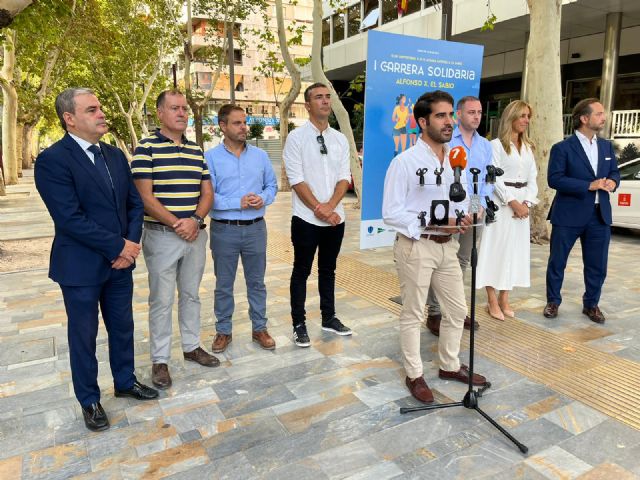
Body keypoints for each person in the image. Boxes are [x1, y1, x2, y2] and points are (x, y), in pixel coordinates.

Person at [34, 88, 158, 432]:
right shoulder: (52, 161)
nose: (102, 113)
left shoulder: (116, 155)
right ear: (69, 119)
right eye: (92, 110)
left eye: (101, 107)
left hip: (121, 264)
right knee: (84, 336)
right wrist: (119, 246)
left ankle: (125, 381)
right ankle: (89, 399)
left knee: (123, 326)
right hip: (81, 267)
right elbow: (69, 218)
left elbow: (134, 203)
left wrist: (132, 244)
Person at [382, 90, 488, 404]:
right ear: (422, 121)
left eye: (450, 116)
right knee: (414, 314)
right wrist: (436, 223)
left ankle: (449, 365)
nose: (448, 122)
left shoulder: (457, 158)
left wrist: (467, 214)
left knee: (456, 311)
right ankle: (414, 375)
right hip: (417, 247)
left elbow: (459, 198)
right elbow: (391, 212)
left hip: (448, 247)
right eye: (441, 116)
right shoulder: (405, 162)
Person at [131, 90, 218, 391]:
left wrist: (194, 221)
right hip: (162, 236)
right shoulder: (146, 148)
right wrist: (176, 224)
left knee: (192, 294)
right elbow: (144, 197)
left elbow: (207, 193)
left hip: (194, 235)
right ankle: (160, 360)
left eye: (184, 108)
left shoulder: (197, 151)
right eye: (174, 108)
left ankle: (192, 347)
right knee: (162, 300)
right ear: (159, 113)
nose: (182, 113)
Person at [284, 82, 353, 347]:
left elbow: (344, 178)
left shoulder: (339, 139)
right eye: (319, 97)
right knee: (301, 270)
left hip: (335, 218)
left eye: (328, 97)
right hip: (305, 218)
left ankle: (329, 317)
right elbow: (297, 180)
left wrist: (331, 208)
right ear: (308, 105)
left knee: (329, 269)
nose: (325, 101)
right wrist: (319, 209)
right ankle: (298, 324)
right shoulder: (296, 138)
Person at [204, 105, 278, 353]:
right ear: (222, 126)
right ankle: (223, 331)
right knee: (224, 284)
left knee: (257, 282)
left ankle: (260, 328)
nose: (244, 127)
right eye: (237, 123)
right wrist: (238, 202)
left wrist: (262, 198)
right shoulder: (211, 158)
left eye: (244, 122)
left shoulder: (260, 156)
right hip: (224, 230)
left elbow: (272, 186)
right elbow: (208, 197)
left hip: (256, 229)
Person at [543, 98, 620, 323]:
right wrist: (588, 185)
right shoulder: (562, 148)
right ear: (584, 118)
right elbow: (554, 179)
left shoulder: (606, 146)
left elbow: (614, 172)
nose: (603, 117)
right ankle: (553, 301)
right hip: (568, 214)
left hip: (600, 215)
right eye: (599, 114)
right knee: (558, 261)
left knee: (598, 264)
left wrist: (613, 182)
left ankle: (592, 304)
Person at [426, 95, 494, 336]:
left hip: (474, 209)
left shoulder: (485, 145)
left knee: (463, 260)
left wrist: (479, 205)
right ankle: (434, 312)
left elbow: (487, 178)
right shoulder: (446, 141)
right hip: (448, 209)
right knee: (440, 260)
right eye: (471, 112)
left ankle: (455, 309)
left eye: (479, 112)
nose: (477, 116)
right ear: (459, 115)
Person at [475, 100, 538, 320]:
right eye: (522, 115)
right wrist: (513, 202)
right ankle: (491, 301)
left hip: (522, 207)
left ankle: (505, 299)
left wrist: (527, 203)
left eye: (528, 116)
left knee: (514, 252)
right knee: (495, 250)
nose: (525, 120)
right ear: (510, 117)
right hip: (501, 205)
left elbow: (533, 179)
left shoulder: (529, 147)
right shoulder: (495, 146)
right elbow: (493, 177)